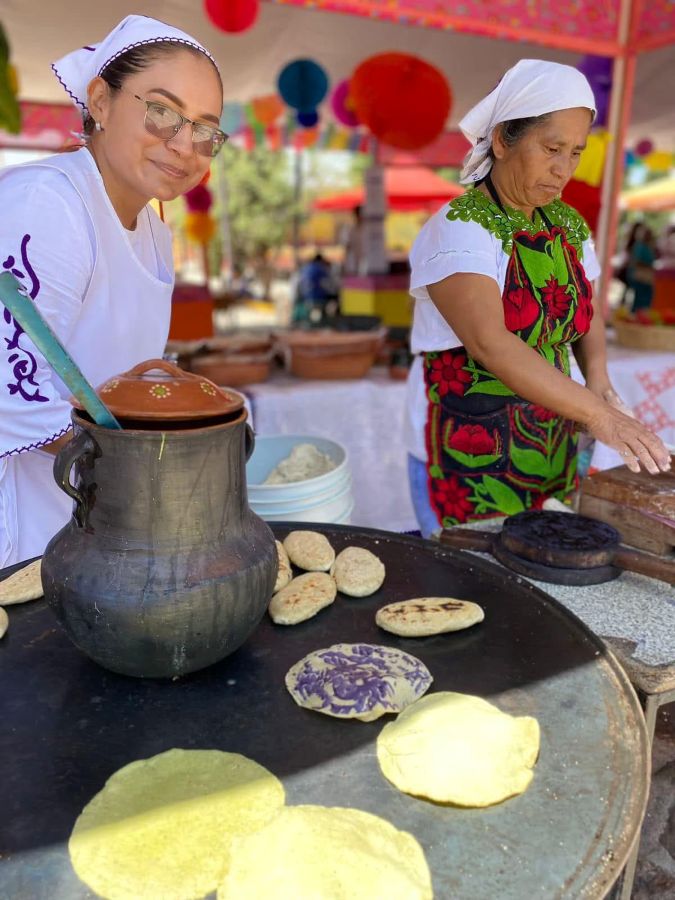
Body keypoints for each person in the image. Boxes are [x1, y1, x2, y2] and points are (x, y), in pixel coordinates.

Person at [404, 59, 670, 538]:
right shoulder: (460, 228)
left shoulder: (564, 222)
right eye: (551, 148)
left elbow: (587, 312)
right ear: (504, 139)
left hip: (550, 439)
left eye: (574, 153)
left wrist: (601, 383)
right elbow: (490, 343)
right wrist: (599, 415)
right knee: (476, 581)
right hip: (469, 445)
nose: (563, 169)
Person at [0, 15, 225, 566]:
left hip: (88, 525)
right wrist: (150, 460)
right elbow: (9, 393)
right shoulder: (47, 204)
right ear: (100, 101)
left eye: (203, 129)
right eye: (162, 112)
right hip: (19, 532)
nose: (183, 144)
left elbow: (125, 374)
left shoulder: (153, 229)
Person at [295, 252, 339, 323]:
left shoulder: (306, 268)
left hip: (305, 297)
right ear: (321, 261)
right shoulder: (320, 269)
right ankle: (329, 321)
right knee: (335, 301)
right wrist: (334, 292)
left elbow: (299, 284)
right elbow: (328, 285)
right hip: (318, 297)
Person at [626, 223, 657, 313]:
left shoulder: (648, 246)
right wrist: (649, 266)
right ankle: (636, 315)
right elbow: (637, 261)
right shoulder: (640, 246)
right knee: (639, 299)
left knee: (645, 299)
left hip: (645, 277)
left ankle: (641, 315)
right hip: (639, 276)